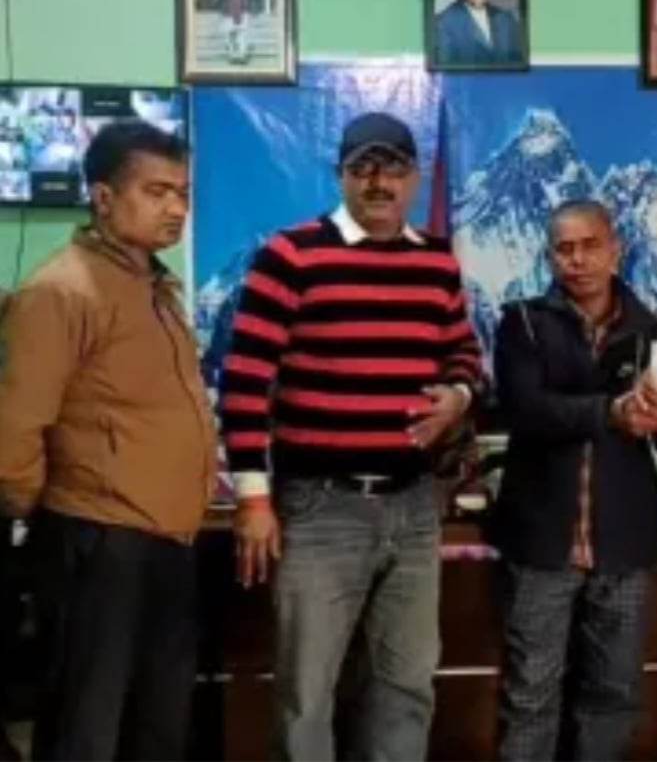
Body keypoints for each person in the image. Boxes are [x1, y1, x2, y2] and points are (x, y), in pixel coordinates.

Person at [220, 111, 483, 761]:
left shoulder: (437, 262)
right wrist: (253, 498)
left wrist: (458, 395)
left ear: (414, 177)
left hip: (413, 506)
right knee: (307, 695)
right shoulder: (290, 256)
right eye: (362, 167)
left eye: (393, 168)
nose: (378, 182)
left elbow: (463, 354)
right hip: (319, 507)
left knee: (406, 687)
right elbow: (245, 382)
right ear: (340, 175)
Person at [0, 120, 217, 760]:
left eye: (182, 193)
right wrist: (47, 517)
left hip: (167, 539)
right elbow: (17, 426)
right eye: (156, 191)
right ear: (102, 197)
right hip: (98, 541)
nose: (175, 208)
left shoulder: (155, 288)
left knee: (158, 727)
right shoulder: (61, 291)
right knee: (87, 730)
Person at [492, 199, 657, 761]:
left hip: (624, 544)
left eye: (590, 246)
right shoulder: (522, 323)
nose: (578, 260)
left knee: (613, 695)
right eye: (564, 249)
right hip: (541, 543)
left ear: (616, 251)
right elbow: (526, 410)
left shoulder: (647, 331)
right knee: (530, 695)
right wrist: (609, 413)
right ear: (549, 257)